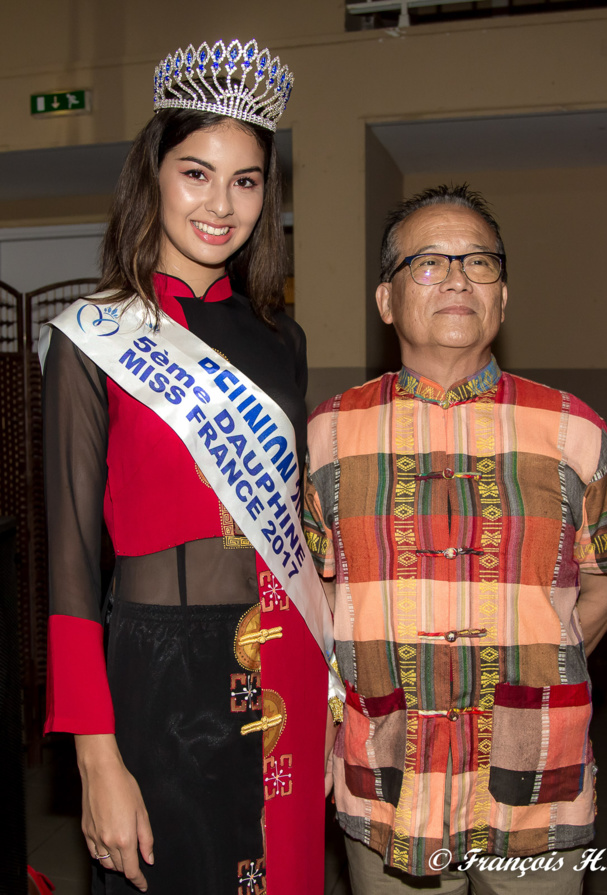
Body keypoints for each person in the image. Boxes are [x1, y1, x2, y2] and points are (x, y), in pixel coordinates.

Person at [41, 38, 335, 895]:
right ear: (153, 176)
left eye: (246, 181)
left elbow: (299, 532)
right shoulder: (93, 338)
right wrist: (96, 758)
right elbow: (67, 567)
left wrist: (329, 699)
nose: (221, 204)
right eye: (196, 171)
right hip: (153, 670)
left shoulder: (283, 341)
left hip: (276, 652)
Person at [304, 184, 607, 894]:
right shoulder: (326, 436)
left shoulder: (574, 430)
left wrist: (525, 675)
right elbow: (312, 606)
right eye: (428, 262)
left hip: (534, 781)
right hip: (386, 776)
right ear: (386, 299)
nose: (459, 277)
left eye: (480, 263)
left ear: (503, 297)